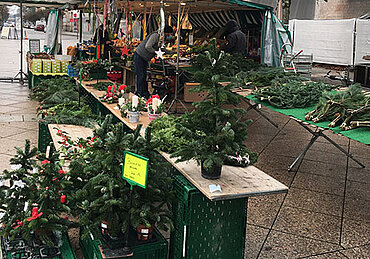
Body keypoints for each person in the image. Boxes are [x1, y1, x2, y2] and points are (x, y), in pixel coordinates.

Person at [134, 25, 174, 99]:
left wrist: (172, 52)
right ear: (165, 32)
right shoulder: (156, 36)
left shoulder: (162, 38)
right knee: (141, 75)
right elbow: (148, 46)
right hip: (140, 55)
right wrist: (156, 52)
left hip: (144, 58)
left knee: (143, 76)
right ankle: (139, 93)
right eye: (169, 34)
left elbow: (163, 49)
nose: (170, 36)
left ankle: (145, 93)